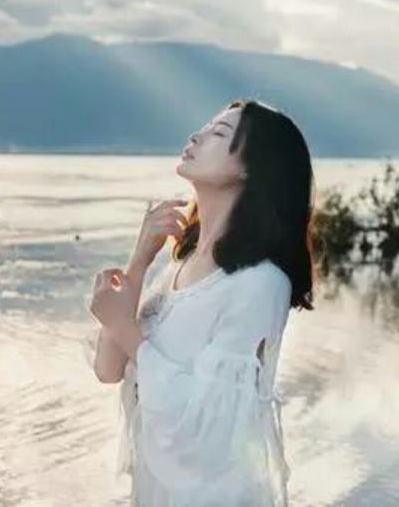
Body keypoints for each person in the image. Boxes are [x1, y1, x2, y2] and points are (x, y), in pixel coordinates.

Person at [85, 98, 317, 506]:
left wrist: (122, 326)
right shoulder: (181, 265)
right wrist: (139, 261)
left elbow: (207, 434)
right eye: (206, 127)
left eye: (218, 133)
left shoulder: (261, 283)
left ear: (249, 169)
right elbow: (108, 369)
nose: (196, 136)